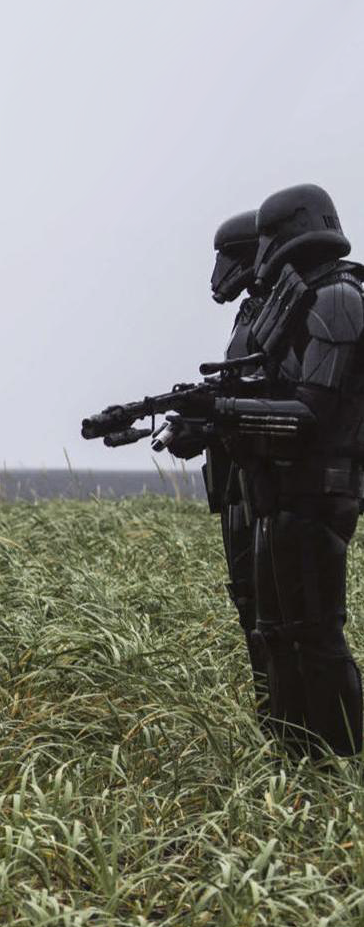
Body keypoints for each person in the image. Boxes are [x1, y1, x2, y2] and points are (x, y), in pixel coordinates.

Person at [245, 184, 364, 754]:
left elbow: (312, 410)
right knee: (280, 635)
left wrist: (224, 413)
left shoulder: (339, 296)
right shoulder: (308, 298)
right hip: (289, 492)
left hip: (321, 490)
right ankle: (295, 759)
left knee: (316, 638)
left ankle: (341, 762)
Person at [202, 211, 270, 716]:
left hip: (266, 479)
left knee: (283, 616)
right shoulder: (252, 312)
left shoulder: (280, 310)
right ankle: (275, 715)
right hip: (237, 481)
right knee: (250, 604)